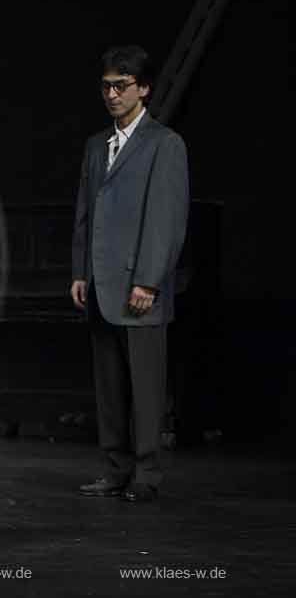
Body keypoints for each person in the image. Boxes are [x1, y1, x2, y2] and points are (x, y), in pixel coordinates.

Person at [70, 46, 189, 503]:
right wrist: (80, 271)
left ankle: (146, 473)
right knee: (110, 386)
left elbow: (166, 220)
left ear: (143, 89)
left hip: (139, 285)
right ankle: (116, 469)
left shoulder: (164, 144)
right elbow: (85, 213)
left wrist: (149, 281)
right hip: (100, 283)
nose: (112, 94)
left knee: (145, 386)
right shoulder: (96, 145)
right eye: (106, 86)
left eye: (122, 86)